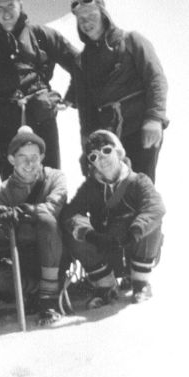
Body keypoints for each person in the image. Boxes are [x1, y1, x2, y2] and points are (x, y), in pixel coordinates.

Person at [0, 0, 79, 180]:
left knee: (49, 182)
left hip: (42, 119)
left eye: (10, 5)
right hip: (6, 129)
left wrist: (69, 98)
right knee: (13, 189)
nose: (5, 12)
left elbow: (79, 63)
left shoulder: (41, 35)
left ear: (20, 5)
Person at [70, 0, 168, 182]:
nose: (86, 22)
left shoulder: (132, 40)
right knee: (112, 192)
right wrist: (87, 146)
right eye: (81, 19)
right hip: (108, 137)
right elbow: (86, 109)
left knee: (140, 186)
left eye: (91, 15)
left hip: (141, 126)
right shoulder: (82, 62)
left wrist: (154, 118)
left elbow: (156, 79)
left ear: (103, 15)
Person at [61, 130, 165, 307]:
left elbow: (155, 207)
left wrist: (133, 233)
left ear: (118, 152)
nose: (102, 158)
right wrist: (91, 235)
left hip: (133, 245)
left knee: (152, 222)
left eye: (106, 151)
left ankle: (140, 282)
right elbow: (69, 214)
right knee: (74, 232)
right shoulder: (89, 188)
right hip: (107, 247)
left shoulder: (139, 181)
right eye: (94, 157)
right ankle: (105, 285)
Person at [0, 127, 68, 323]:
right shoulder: (4, 191)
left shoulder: (55, 178)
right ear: (12, 159)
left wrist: (26, 211)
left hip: (54, 249)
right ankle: (39, 288)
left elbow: (53, 207)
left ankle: (48, 299)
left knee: (46, 221)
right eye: (22, 157)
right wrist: (4, 224)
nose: (29, 163)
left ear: (42, 157)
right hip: (24, 256)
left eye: (34, 157)